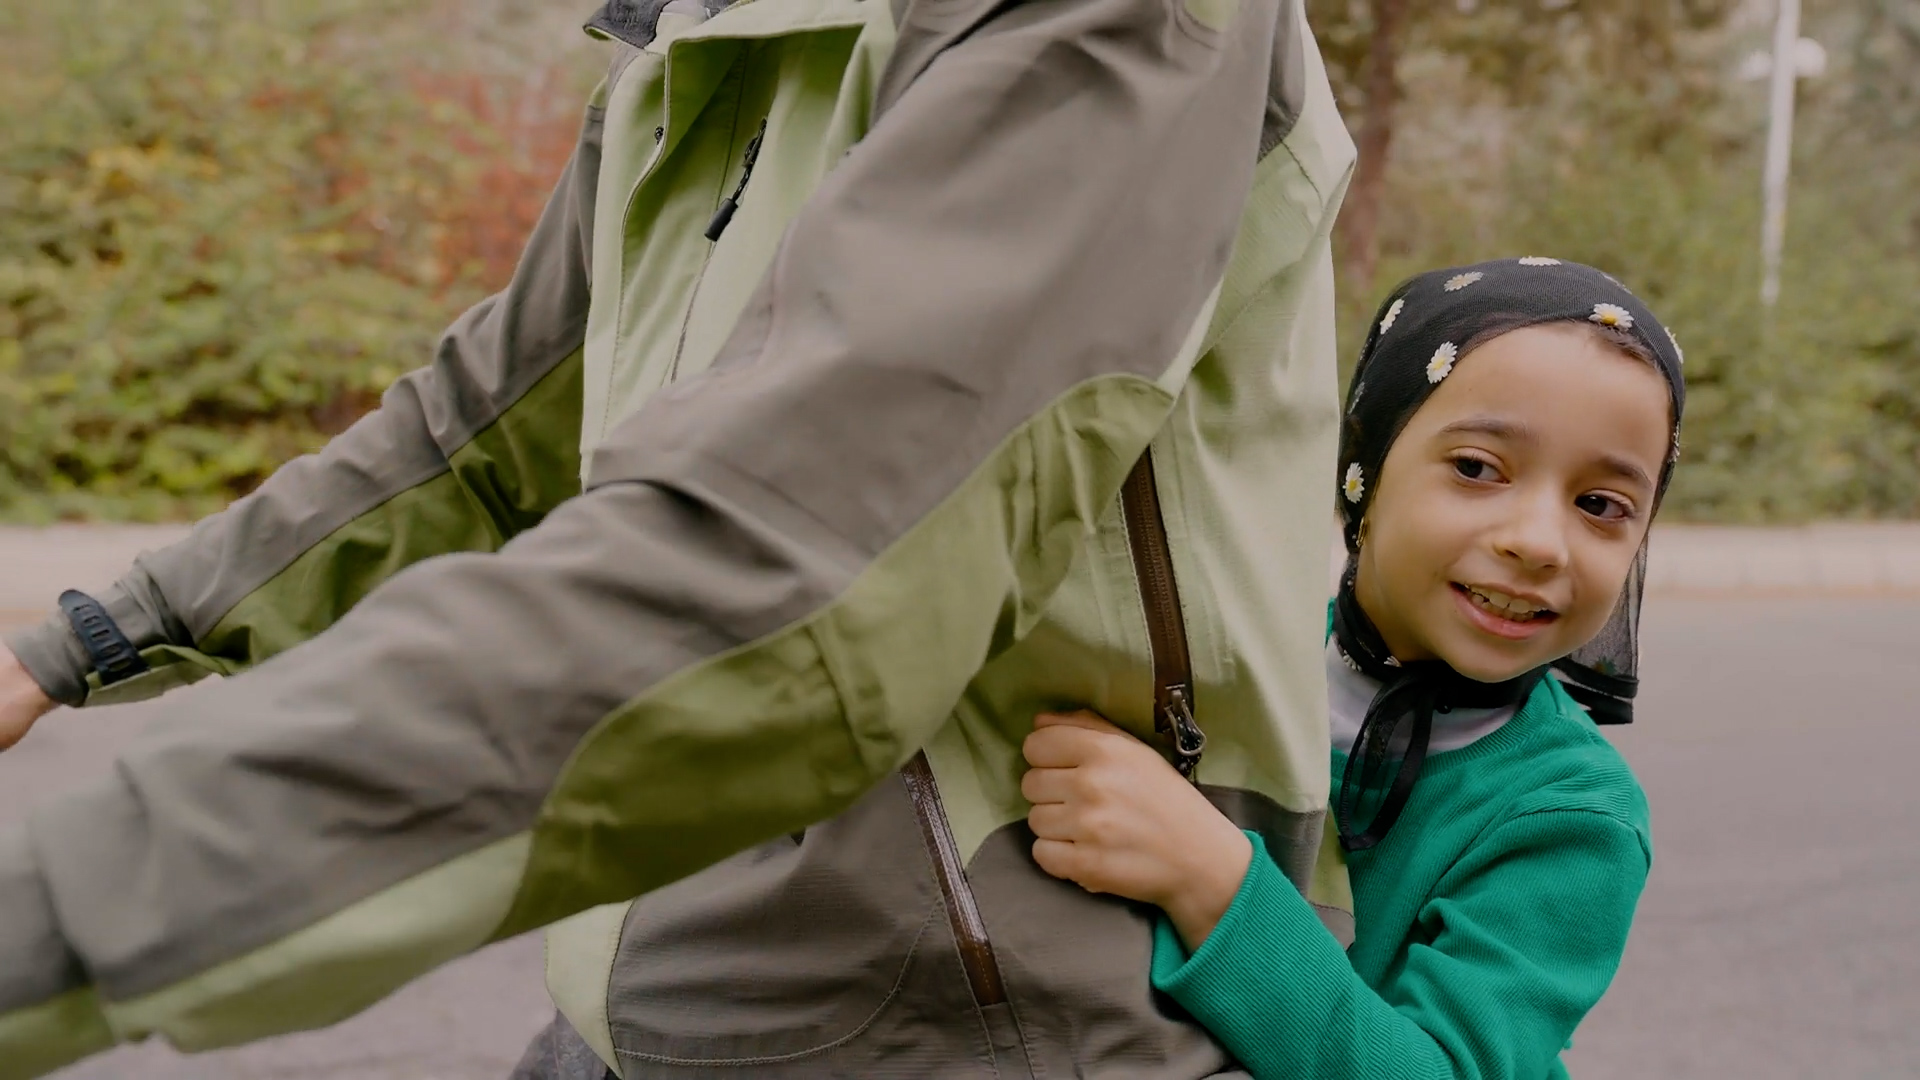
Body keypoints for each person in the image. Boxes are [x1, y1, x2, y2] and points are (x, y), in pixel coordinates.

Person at [0, 0, 1360, 1077]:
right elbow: (481, 441)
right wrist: (88, 638)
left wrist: (62, 913)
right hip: (640, 1000)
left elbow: (788, 583)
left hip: (975, 1026)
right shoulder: (693, 25)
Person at [1019, 258, 1684, 1079]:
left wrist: (1208, 880)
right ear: (1363, 467)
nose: (1539, 542)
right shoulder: (1225, 653)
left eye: (1600, 505)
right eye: (1477, 468)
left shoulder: (1573, 817)